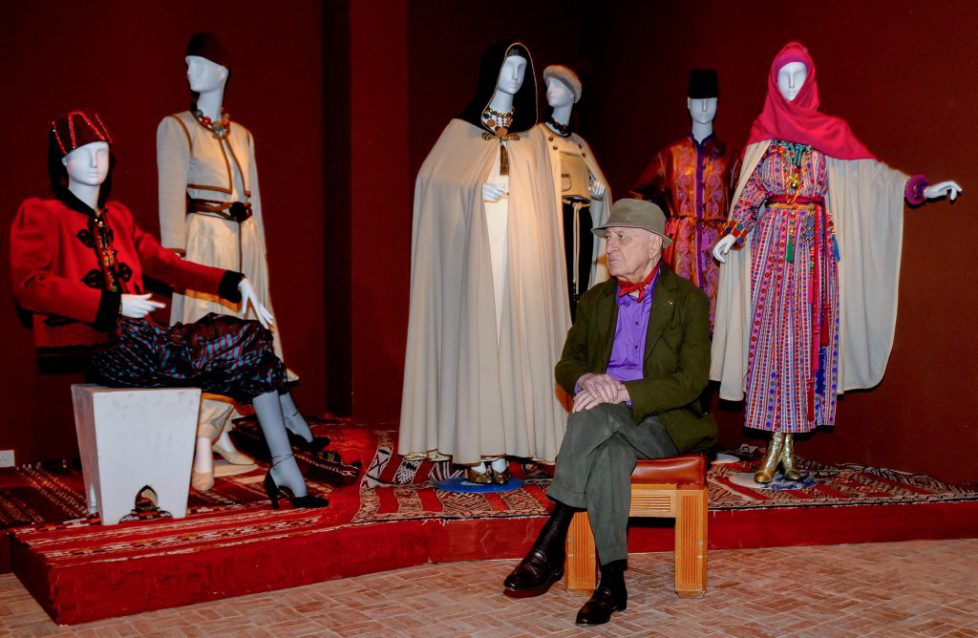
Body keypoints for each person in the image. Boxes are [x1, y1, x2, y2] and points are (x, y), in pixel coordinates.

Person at [10, 110, 326, 509]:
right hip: (105, 349)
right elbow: (30, 288)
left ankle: (285, 466)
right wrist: (112, 303)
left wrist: (232, 280)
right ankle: (291, 435)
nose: (95, 161)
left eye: (102, 152)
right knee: (246, 342)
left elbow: (166, 264)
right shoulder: (39, 213)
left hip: (144, 338)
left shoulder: (118, 217)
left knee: (250, 339)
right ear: (63, 162)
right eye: (84, 152)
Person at [712, 42, 962, 483]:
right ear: (773, 83)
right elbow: (749, 194)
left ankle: (784, 445)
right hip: (770, 256)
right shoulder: (762, 138)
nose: (791, 84)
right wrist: (731, 235)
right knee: (771, 343)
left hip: (813, 259)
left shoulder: (829, 134)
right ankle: (776, 444)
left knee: (804, 344)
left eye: (799, 76)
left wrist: (919, 188)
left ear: (810, 81)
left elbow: (870, 177)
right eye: (783, 76)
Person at [503, 199, 716, 626]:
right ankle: (613, 584)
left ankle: (551, 538)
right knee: (607, 453)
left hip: (663, 421)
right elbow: (568, 364)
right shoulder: (596, 301)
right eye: (609, 238)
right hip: (608, 424)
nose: (610, 247)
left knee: (598, 412)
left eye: (622, 237)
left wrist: (623, 390)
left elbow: (691, 380)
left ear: (654, 246)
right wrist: (586, 380)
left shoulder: (688, 301)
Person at [399, 40, 567, 484]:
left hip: (518, 258)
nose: (515, 74)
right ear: (491, 70)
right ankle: (475, 450)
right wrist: (473, 191)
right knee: (477, 342)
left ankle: (506, 444)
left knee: (513, 342)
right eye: (509, 65)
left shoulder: (533, 140)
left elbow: (544, 206)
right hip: (474, 257)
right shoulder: (461, 131)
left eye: (521, 67)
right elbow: (431, 182)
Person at [157, 32, 312, 490]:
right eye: (186, 64)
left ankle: (222, 432)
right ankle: (201, 441)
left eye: (197, 62)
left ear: (220, 71)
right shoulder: (176, 127)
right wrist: (176, 263)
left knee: (248, 339)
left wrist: (259, 259)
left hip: (244, 241)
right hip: (205, 242)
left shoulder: (241, 135)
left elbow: (254, 199)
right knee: (209, 338)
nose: (189, 71)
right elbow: (170, 203)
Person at [630, 69, 738, 327]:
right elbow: (640, 198)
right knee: (674, 320)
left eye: (710, 100)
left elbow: (742, 204)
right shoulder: (670, 155)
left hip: (717, 255)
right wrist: (659, 232)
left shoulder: (729, 157)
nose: (703, 106)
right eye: (698, 100)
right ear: (688, 103)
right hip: (678, 251)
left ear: (717, 104)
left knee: (716, 323)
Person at [536, 64, 610, 318]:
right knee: (560, 278)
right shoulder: (538, 137)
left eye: (557, 86)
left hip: (583, 220)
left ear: (571, 95)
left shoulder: (580, 145)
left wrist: (598, 194)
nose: (550, 91)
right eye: (548, 86)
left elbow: (599, 184)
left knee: (580, 279)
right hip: (557, 220)